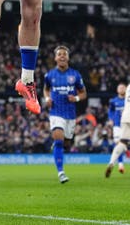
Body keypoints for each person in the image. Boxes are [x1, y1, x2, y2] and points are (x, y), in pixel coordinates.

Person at [43, 45, 86, 183]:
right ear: (55, 58)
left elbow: (83, 93)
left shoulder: (75, 75)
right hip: (56, 112)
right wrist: (47, 99)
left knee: (66, 143)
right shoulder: (49, 75)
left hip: (70, 114)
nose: (62, 56)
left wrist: (76, 98)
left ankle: (57, 145)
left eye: (64, 54)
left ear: (68, 58)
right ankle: (61, 172)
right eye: (59, 54)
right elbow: (46, 90)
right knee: (59, 140)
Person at [107, 83, 130, 174]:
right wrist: (111, 119)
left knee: (122, 144)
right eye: (119, 87)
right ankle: (121, 164)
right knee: (118, 143)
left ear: (126, 89)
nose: (121, 89)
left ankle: (126, 149)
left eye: (123, 88)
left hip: (127, 125)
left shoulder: (128, 101)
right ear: (117, 90)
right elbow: (110, 110)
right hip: (117, 125)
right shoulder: (113, 101)